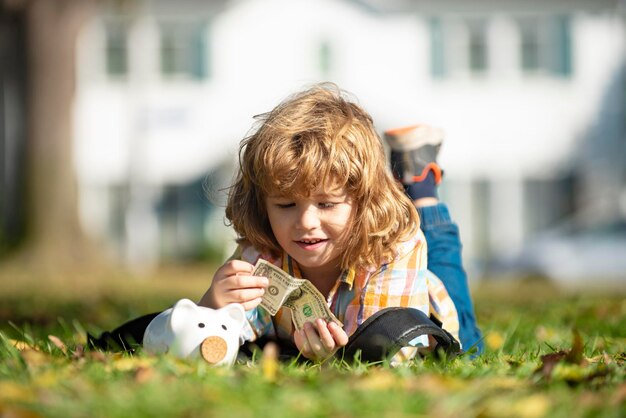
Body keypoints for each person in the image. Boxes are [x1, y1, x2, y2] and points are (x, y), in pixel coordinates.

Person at [199, 83, 482, 361]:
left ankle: (421, 185)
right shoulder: (260, 254)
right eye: (286, 204)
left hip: (431, 319)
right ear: (262, 205)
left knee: (465, 338)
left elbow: (391, 355)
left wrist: (331, 358)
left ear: (365, 200)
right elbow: (220, 338)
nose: (306, 222)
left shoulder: (397, 249)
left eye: (327, 204)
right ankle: (408, 176)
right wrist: (212, 305)